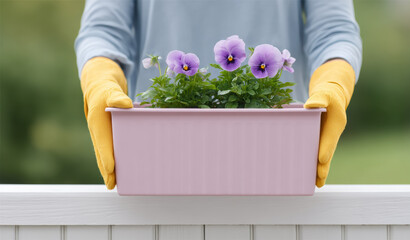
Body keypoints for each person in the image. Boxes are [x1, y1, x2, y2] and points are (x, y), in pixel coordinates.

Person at [75, 0, 362, 190]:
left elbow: (334, 29)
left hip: (274, 158)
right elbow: (102, 30)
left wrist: (334, 80)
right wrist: (100, 76)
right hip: (160, 161)